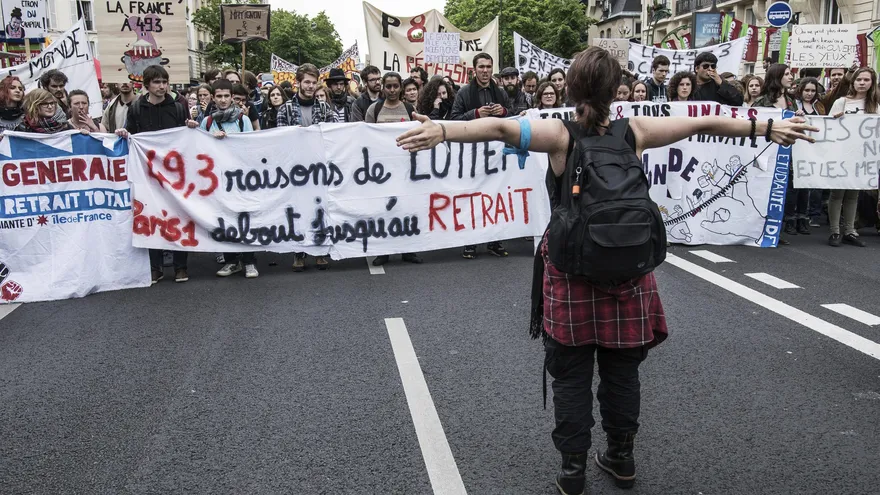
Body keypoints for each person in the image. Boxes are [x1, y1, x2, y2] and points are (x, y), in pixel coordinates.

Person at [396, 46, 815, 495]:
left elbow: (498, 126)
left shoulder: (558, 135)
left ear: (571, 88)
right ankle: (621, 458)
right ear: (616, 89)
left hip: (571, 273)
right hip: (628, 275)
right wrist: (769, 126)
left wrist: (442, 129)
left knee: (571, 375)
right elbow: (703, 122)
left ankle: (572, 471)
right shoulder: (634, 130)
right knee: (622, 374)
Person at [115, 65, 199, 284]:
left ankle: (181, 266)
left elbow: (185, 138)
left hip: (174, 174)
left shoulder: (178, 108)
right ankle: (156, 267)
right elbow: (131, 135)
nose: (162, 86)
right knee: (151, 217)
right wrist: (124, 133)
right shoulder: (136, 108)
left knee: (178, 216)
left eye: (165, 82)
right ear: (147, 86)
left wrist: (190, 127)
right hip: (148, 174)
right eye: (157, 82)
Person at [276, 63, 337, 271]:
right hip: (296, 168)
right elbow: (280, 136)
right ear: (298, 83)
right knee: (298, 210)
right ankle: (299, 253)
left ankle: (320, 252)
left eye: (313, 83)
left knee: (320, 209)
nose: (311, 86)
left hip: (319, 168)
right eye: (307, 82)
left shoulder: (324, 108)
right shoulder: (285, 109)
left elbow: (333, 134)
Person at [450, 51, 511, 258]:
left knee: (496, 195)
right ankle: (471, 241)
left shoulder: (500, 92)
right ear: (474, 70)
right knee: (472, 196)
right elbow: (454, 119)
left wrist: (502, 112)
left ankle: (495, 240)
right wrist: (476, 114)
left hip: (496, 153)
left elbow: (512, 116)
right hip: (472, 153)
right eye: (481, 67)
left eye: (488, 67)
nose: (485, 71)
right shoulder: (464, 93)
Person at [200, 79, 259, 279]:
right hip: (218, 180)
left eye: (227, 96)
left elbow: (250, 147)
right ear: (213, 98)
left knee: (245, 218)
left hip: (241, 179)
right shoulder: (207, 122)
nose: (223, 100)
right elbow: (199, 150)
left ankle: (250, 261)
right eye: (219, 96)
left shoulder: (243, 120)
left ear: (232, 97)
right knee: (224, 219)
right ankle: (231, 260)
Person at [365, 72, 423, 266]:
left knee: (406, 208)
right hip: (381, 170)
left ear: (400, 88)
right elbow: (365, 137)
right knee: (384, 210)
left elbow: (417, 133)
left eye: (395, 86)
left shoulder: (409, 109)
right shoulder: (374, 109)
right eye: (388, 86)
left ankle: (408, 250)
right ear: (383, 87)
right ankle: (384, 250)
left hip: (405, 168)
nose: (391, 90)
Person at [827, 67, 879, 247]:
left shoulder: (875, 106)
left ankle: (850, 230)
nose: (862, 83)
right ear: (853, 81)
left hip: (862, 156)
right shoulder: (842, 102)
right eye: (859, 80)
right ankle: (835, 231)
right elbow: (827, 127)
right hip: (841, 154)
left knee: (853, 194)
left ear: (872, 83)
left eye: (866, 80)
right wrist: (835, 119)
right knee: (837, 194)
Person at [752, 64, 799, 245]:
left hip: (784, 154)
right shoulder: (762, 101)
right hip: (766, 152)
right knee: (764, 190)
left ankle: (775, 229)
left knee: (781, 191)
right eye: (786, 74)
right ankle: (759, 228)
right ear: (777, 77)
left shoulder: (790, 100)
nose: (790, 77)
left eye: (790, 74)